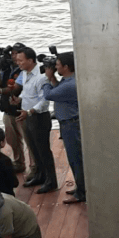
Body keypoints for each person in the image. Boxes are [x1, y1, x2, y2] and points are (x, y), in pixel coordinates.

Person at [44, 51, 84, 203]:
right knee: (74, 158)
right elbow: (57, 89)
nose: (55, 67)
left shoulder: (69, 85)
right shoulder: (68, 80)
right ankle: (80, 187)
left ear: (66, 67)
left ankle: (82, 192)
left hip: (71, 125)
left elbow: (49, 94)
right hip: (69, 123)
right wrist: (53, 78)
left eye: (58, 65)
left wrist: (47, 79)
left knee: (76, 159)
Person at [15, 48, 56, 192]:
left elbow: (44, 101)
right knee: (34, 149)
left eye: (21, 60)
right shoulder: (24, 73)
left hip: (39, 117)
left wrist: (30, 111)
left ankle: (51, 181)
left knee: (43, 150)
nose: (18, 63)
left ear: (31, 60)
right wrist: (19, 99)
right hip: (28, 116)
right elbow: (28, 92)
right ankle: (40, 175)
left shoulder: (41, 77)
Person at [0, 44, 27, 172]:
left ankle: (35, 167)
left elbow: (16, 88)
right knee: (12, 140)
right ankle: (19, 163)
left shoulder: (24, 69)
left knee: (29, 140)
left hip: (22, 110)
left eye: (17, 54)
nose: (14, 57)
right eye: (12, 54)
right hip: (8, 109)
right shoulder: (6, 68)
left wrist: (0, 91)